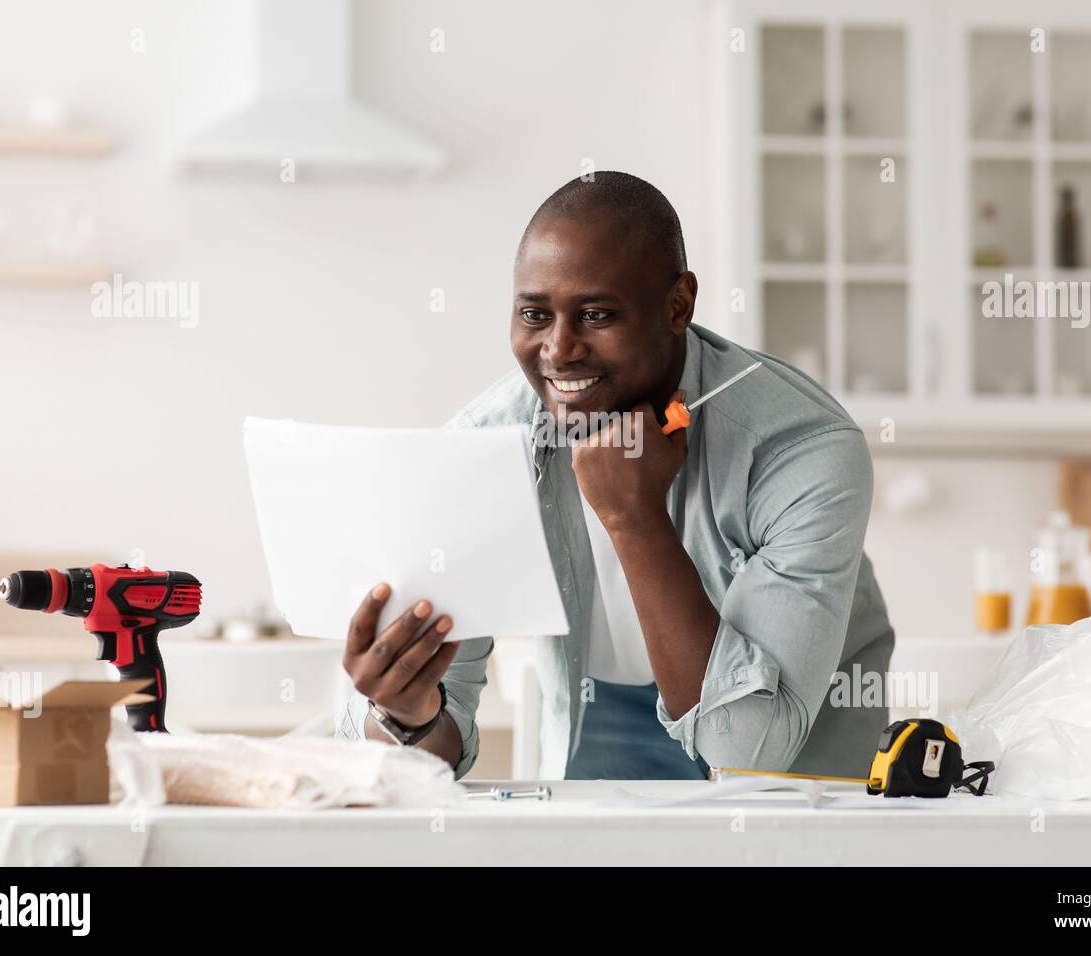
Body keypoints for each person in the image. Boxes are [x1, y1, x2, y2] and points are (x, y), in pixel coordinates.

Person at [337, 171, 894, 780]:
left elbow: (746, 751)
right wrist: (405, 718)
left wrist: (634, 517)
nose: (558, 349)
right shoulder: (483, 450)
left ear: (678, 305)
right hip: (596, 710)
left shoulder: (803, 451)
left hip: (795, 759)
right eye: (534, 314)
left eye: (597, 314)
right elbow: (425, 758)